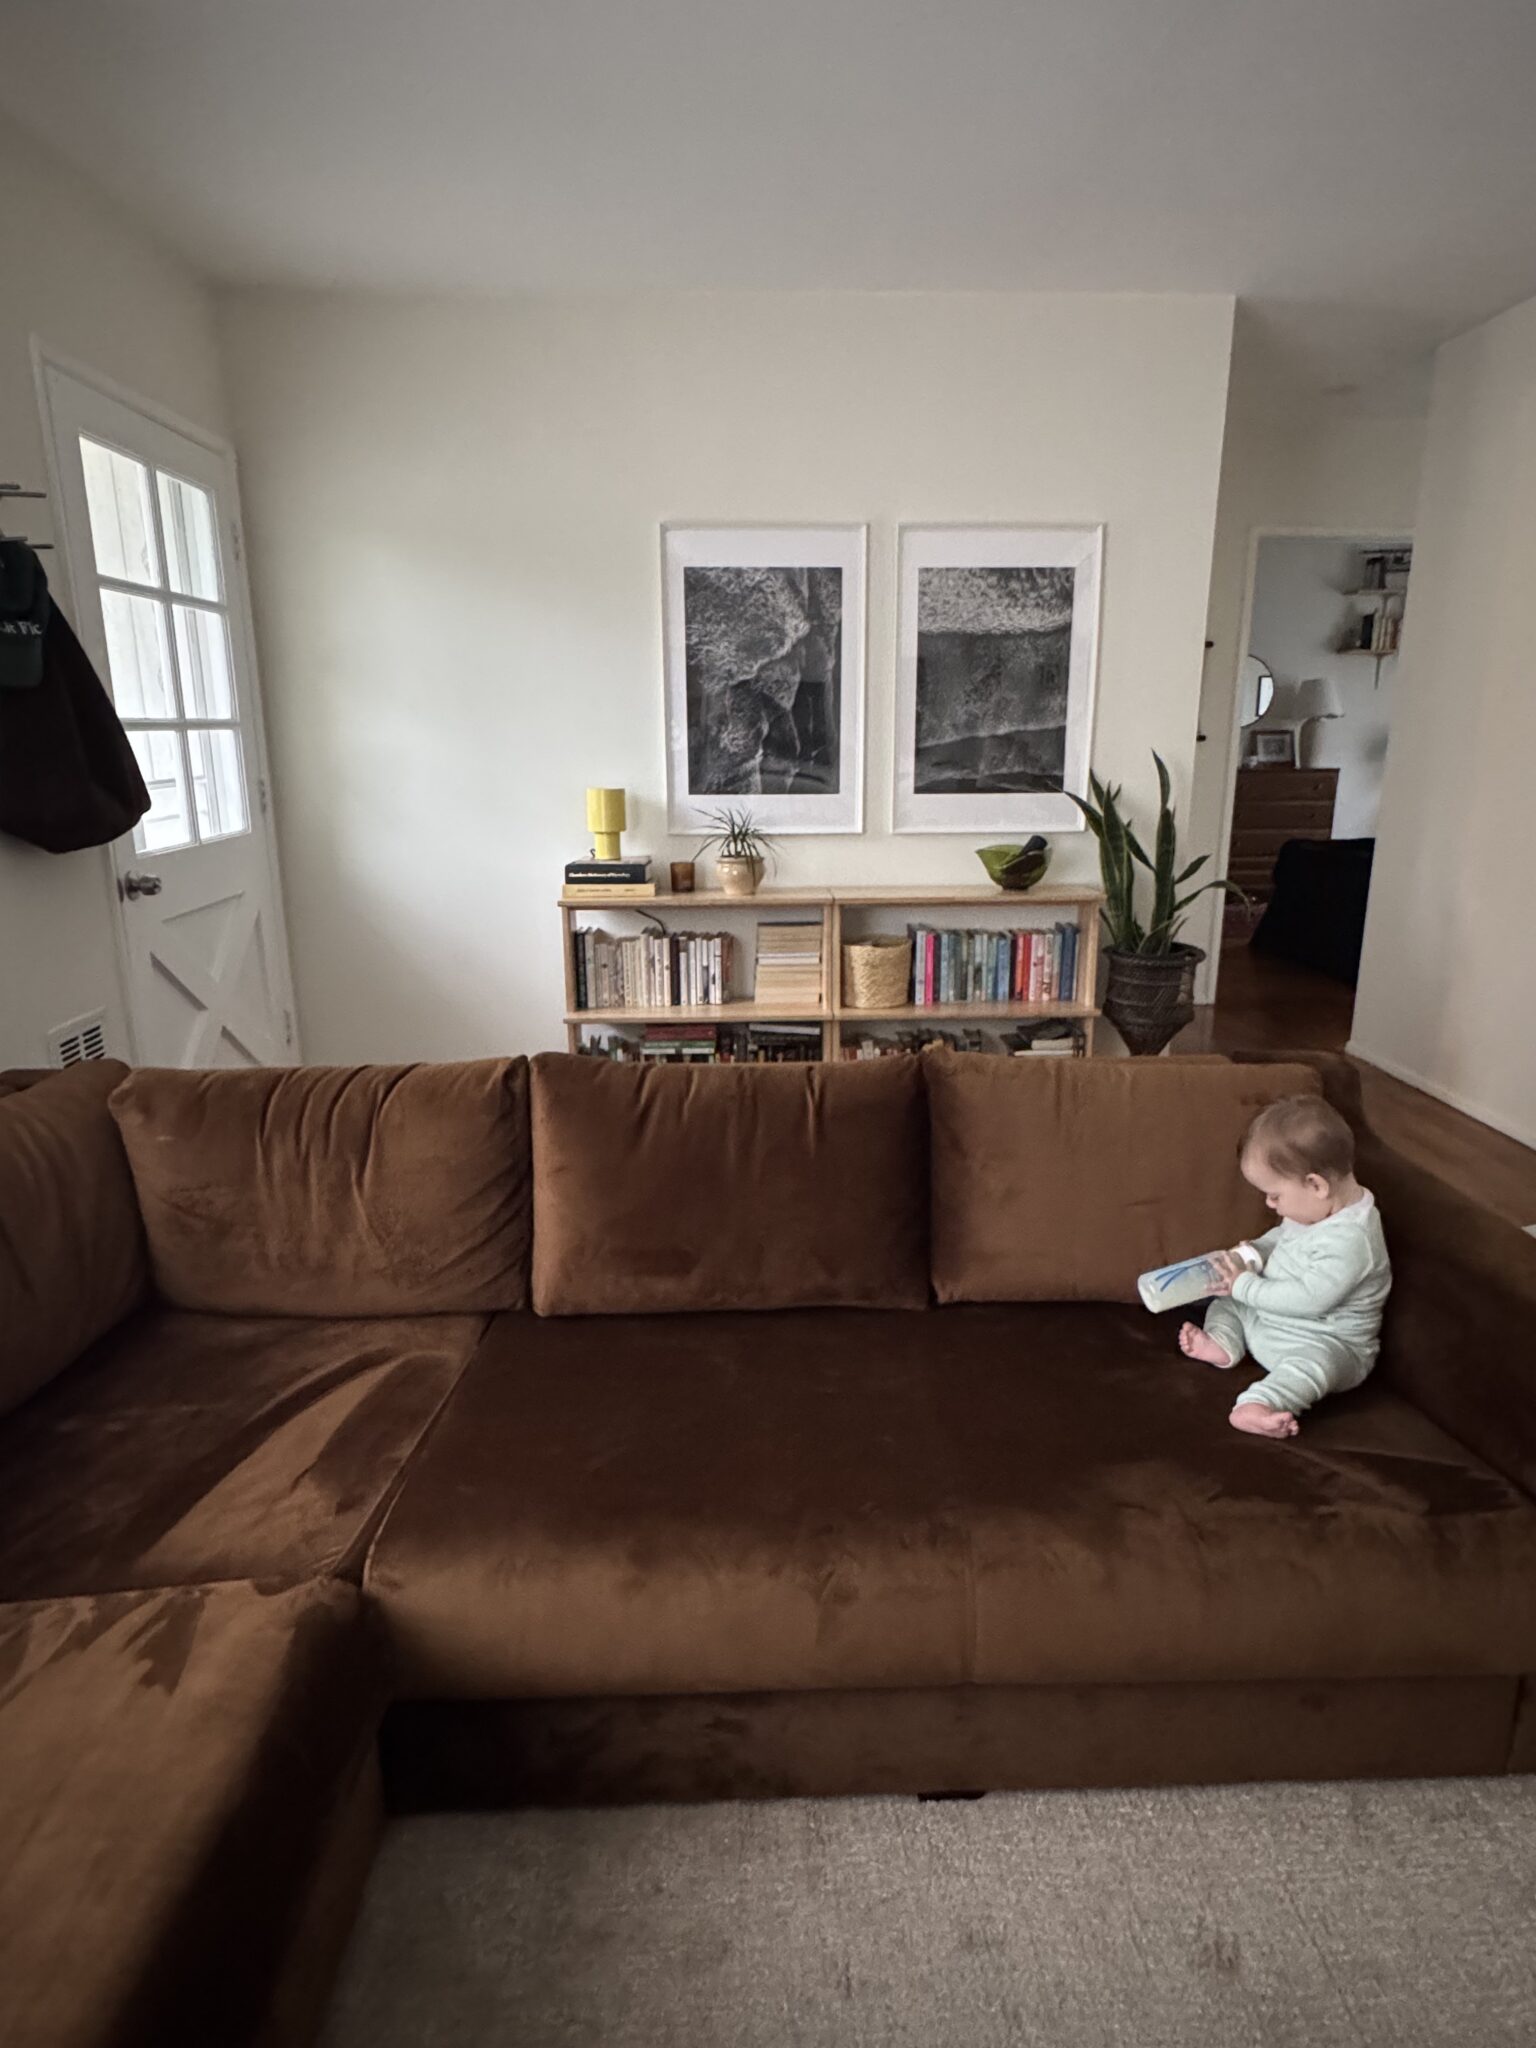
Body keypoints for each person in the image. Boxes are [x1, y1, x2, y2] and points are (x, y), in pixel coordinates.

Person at [1178, 1095, 1391, 1439]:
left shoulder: (1352, 1240)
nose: (1270, 1204)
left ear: (1316, 1185)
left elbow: (1311, 1298)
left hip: (1325, 1342)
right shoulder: (1315, 1209)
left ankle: (1260, 1404)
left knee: (1312, 1366)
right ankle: (1224, 1342)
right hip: (1271, 1321)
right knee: (1226, 1301)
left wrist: (1245, 1285)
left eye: (1275, 1195)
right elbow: (1281, 1238)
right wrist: (1249, 1256)